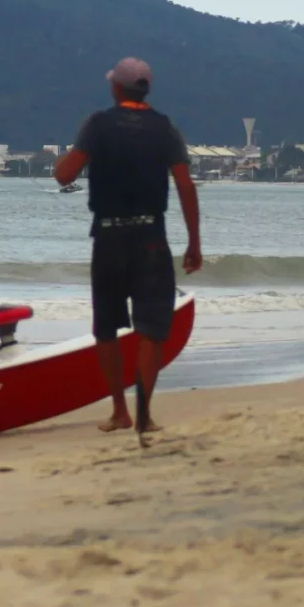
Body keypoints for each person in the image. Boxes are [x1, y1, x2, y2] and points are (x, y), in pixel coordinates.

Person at [54, 57, 202, 443]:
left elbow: (65, 174)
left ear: (116, 88)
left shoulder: (98, 124)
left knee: (106, 327)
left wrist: (65, 161)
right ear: (145, 89)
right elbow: (185, 186)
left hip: (109, 236)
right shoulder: (165, 127)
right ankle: (144, 413)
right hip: (152, 236)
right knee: (151, 329)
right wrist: (194, 241)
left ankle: (119, 410)